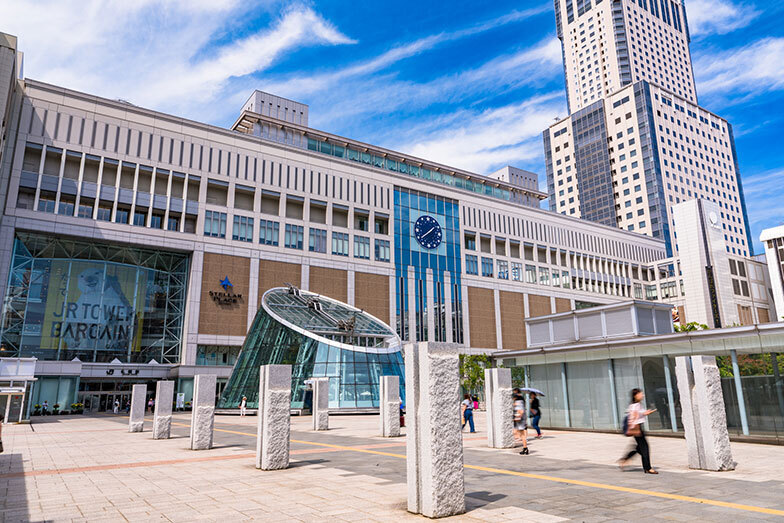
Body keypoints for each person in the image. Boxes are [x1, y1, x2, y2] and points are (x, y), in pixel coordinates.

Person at [619, 388, 658, 474]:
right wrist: (634, 429)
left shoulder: (637, 404)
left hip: (638, 427)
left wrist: (645, 413)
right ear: (636, 396)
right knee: (645, 448)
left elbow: (638, 413)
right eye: (641, 394)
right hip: (637, 428)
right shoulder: (634, 405)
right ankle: (648, 468)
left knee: (639, 448)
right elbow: (632, 417)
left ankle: (624, 459)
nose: (642, 395)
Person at [513, 389, 529, 455]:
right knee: (521, 435)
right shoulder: (520, 401)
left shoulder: (519, 402)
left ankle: (525, 448)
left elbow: (521, 411)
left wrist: (517, 417)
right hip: (520, 420)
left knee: (520, 434)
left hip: (520, 421)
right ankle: (525, 448)